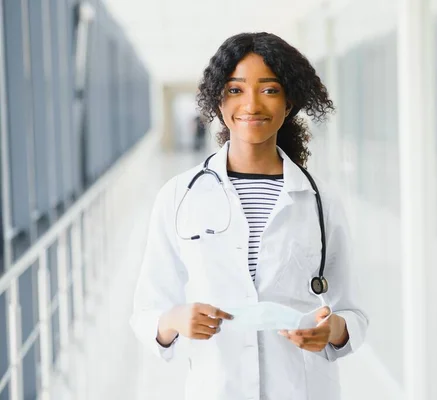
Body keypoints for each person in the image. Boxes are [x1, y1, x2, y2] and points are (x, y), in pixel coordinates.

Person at [130, 32, 368, 400]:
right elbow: (147, 311)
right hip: (217, 387)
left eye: (270, 90)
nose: (252, 104)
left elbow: (353, 313)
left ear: (289, 102)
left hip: (302, 388)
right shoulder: (179, 196)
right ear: (219, 101)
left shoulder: (322, 201)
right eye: (236, 89)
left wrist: (334, 329)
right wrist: (175, 320)